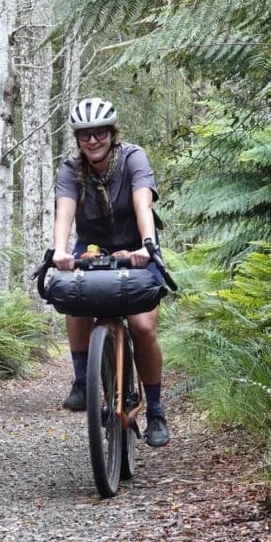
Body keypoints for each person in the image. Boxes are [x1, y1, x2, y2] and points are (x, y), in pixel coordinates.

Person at [51, 97, 169, 447]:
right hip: (91, 248)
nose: (92, 141)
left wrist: (146, 245)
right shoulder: (71, 169)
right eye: (84, 134)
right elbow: (64, 212)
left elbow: (142, 203)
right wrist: (59, 251)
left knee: (143, 326)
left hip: (136, 247)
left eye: (99, 133)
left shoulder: (134, 158)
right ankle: (81, 380)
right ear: (77, 138)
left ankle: (157, 410)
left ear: (112, 134)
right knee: (72, 294)